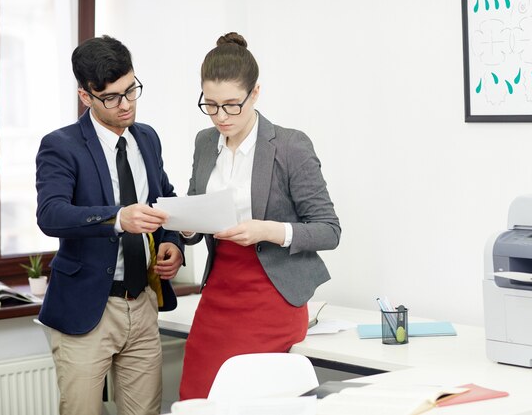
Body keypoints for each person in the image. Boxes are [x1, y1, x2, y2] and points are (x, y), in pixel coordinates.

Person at [179, 32, 341, 399]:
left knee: (246, 399)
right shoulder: (206, 143)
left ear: (255, 94)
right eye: (211, 105)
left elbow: (329, 230)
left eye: (232, 104)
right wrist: (186, 230)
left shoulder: (289, 145)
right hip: (219, 293)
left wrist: (267, 230)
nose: (221, 116)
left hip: (272, 296)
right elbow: (197, 204)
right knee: (197, 398)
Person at [35, 35, 184, 415]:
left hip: (144, 301)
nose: (126, 104)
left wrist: (173, 244)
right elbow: (51, 214)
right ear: (86, 96)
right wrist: (117, 218)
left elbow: (162, 201)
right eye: (112, 97)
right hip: (88, 310)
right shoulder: (61, 145)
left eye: (131, 90)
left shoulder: (147, 138)